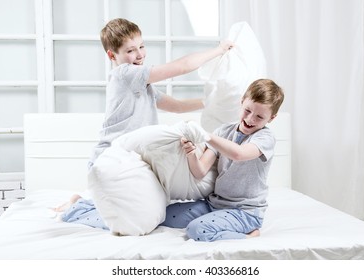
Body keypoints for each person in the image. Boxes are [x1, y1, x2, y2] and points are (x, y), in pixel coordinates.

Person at [53, 18, 234, 229]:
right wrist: (219, 49)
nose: (139, 55)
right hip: (111, 158)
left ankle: (83, 198)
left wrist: (212, 103)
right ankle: (79, 204)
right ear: (112, 55)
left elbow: (175, 106)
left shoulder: (141, 84)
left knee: (142, 205)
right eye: (130, 51)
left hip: (130, 158)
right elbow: (184, 66)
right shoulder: (125, 74)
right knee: (129, 215)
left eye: (141, 46)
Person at [161, 78, 284, 241]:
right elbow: (200, 171)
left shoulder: (265, 138)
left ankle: (249, 236)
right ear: (242, 102)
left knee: (196, 230)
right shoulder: (223, 131)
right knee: (163, 215)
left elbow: (239, 154)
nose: (250, 119)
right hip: (214, 205)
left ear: (271, 118)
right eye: (248, 111)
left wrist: (205, 135)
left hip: (244, 211)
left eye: (260, 117)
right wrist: (191, 153)